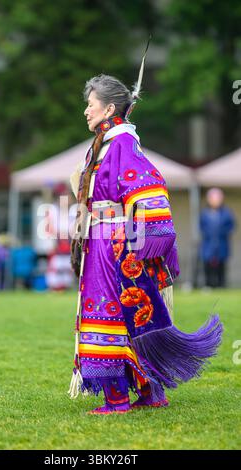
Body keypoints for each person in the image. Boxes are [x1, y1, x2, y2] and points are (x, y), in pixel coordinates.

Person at [67, 70, 223, 415]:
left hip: (113, 244)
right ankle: (150, 391)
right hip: (107, 240)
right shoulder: (107, 144)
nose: (85, 111)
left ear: (109, 109)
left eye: (90, 105)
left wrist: (148, 237)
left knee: (108, 312)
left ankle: (117, 399)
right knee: (131, 314)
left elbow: (149, 186)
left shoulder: (121, 142)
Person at [200, 188, 235, 288]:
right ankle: (208, 285)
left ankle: (221, 285)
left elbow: (231, 226)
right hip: (208, 244)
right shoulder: (205, 213)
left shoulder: (226, 213)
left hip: (222, 244)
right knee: (208, 266)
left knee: (221, 266)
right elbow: (201, 227)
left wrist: (222, 233)